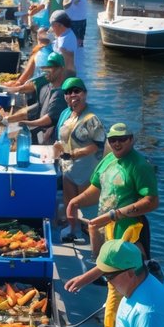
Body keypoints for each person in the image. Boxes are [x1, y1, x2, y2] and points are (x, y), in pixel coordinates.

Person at [65, 122, 159, 327]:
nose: (117, 143)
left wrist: (116, 214)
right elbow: (96, 189)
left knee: (124, 282)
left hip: (129, 232)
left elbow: (152, 201)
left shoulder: (139, 165)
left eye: (122, 139)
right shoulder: (108, 160)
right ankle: (115, 325)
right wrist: (75, 202)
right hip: (106, 230)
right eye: (113, 140)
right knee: (112, 281)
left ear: (131, 139)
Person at [52, 78, 106, 242]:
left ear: (85, 94)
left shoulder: (91, 118)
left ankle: (94, 236)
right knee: (69, 201)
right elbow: (61, 137)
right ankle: (72, 229)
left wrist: (75, 154)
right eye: (68, 92)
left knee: (87, 206)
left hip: (86, 168)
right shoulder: (65, 113)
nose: (72, 95)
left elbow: (97, 145)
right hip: (67, 167)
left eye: (77, 91)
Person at [13, 51, 69, 144]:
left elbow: (49, 120)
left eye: (52, 67)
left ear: (61, 69)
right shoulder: (44, 88)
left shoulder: (62, 94)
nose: (47, 70)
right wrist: (7, 119)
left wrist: (25, 123)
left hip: (50, 141)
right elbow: (31, 111)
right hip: (39, 134)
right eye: (47, 67)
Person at [48, 9, 80, 75]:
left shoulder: (64, 44)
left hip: (63, 77)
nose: (51, 28)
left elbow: (68, 67)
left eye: (53, 25)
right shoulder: (68, 33)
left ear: (61, 25)